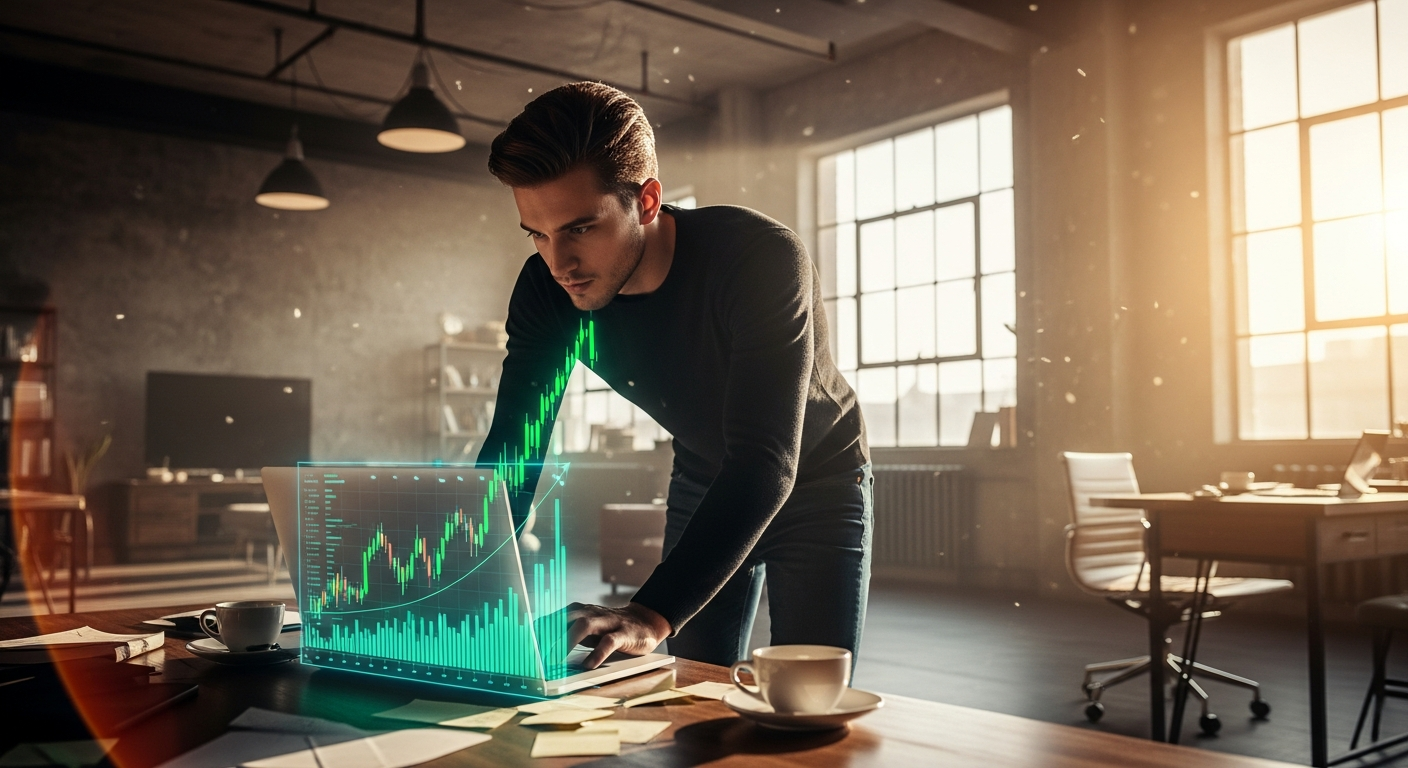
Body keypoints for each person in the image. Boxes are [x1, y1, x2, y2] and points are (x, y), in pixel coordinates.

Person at [477, 81, 872, 671]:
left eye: (581, 228)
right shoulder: (545, 291)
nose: (559, 264)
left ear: (647, 201)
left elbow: (766, 462)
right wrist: (453, 581)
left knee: (808, 698)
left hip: (819, 481)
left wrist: (648, 613)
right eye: (538, 233)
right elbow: (516, 447)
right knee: (695, 691)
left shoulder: (759, 260)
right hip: (704, 476)